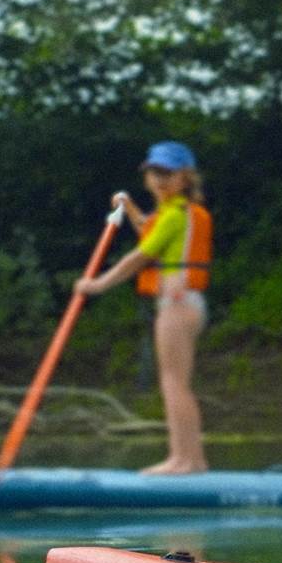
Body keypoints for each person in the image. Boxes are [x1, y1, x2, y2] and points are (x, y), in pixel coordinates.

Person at [75, 141, 214, 475]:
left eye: (168, 173)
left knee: (173, 383)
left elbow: (138, 258)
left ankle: (183, 460)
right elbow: (149, 232)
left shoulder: (176, 214)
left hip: (177, 305)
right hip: (184, 304)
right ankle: (192, 460)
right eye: (154, 173)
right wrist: (130, 209)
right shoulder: (173, 214)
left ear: (185, 177)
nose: (159, 179)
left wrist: (97, 284)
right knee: (177, 381)